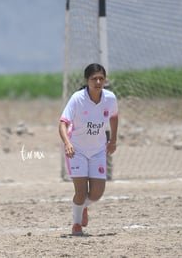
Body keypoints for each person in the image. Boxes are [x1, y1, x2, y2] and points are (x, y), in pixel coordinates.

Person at [59, 63, 118, 235]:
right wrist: (67, 143)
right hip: (76, 150)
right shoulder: (77, 98)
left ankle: (83, 207)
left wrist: (113, 140)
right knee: (81, 192)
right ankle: (76, 224)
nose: (98, 82)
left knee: (97, 193)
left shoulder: (110, 98)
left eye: (101, 78)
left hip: (98, 150)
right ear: (87, 80)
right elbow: (63, 123)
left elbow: (114, 117)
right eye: (94, 79)